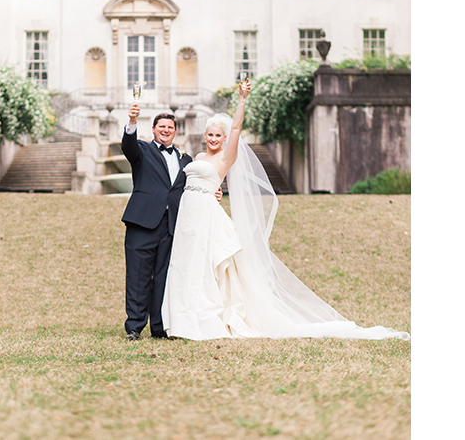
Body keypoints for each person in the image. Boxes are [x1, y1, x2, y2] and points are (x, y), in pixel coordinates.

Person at [161, 80, 411, 341]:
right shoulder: (197, 159)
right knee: (187, 264)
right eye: (210, 135)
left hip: (207, 217)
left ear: (224, 139)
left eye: (218, 135)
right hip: (188, 217)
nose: (213, 139)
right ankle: (181, 321)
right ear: (205, 136)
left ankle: (204, 321)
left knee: (207, 264)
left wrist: (243, 99)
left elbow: (236, 127)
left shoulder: (226, 157)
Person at [119, 104, 218, 340]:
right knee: (138, 275)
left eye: (170, 127)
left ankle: (160, 326)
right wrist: (132, 120)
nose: (165, 130)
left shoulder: (186, 159)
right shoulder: (141, 150)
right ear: (153, 129)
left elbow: (192, 188)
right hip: (142, 222)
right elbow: (128, 145)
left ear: (175, 132)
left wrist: (213, 193)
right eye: (161, 126)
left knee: (165, 277)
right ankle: (134, 326)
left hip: (174, 225)